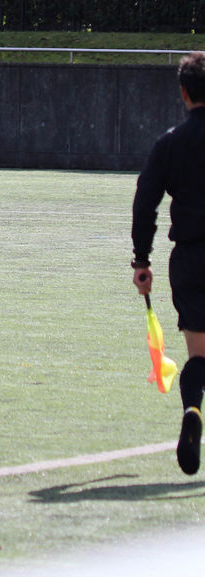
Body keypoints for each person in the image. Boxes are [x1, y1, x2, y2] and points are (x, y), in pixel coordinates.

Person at [132, 51, 205, 474]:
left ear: (183, 93)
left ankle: (193, 409)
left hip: (191, 258)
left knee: (199, 354)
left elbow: (146, 202)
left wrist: (142, 260)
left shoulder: (170, 143)